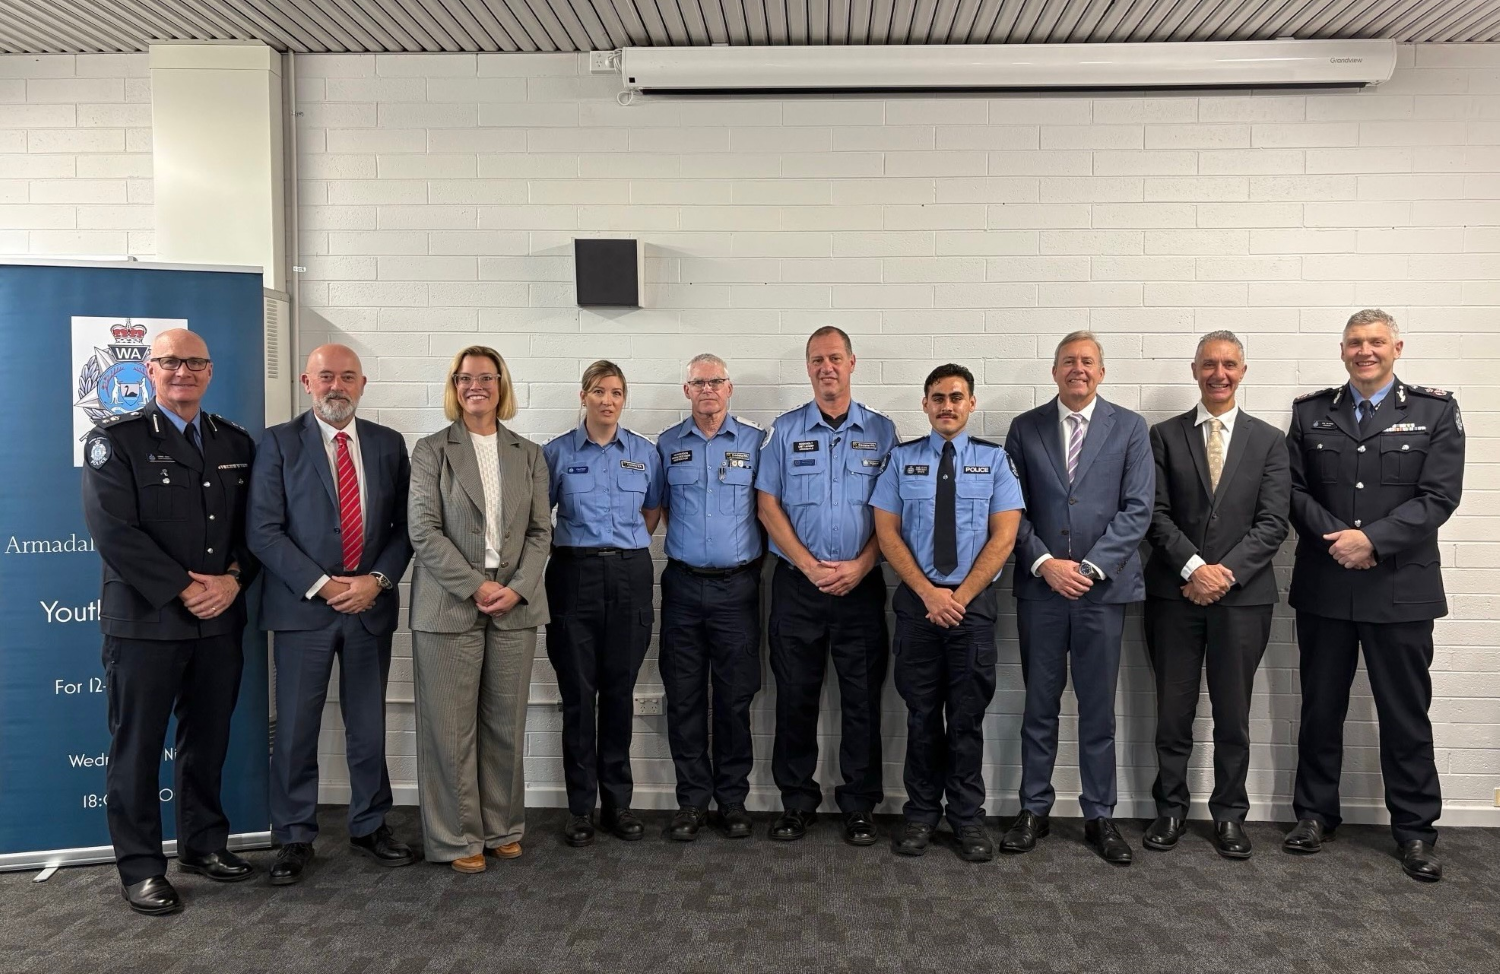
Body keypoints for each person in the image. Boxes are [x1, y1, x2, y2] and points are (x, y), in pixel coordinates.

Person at [80, 328, 259, 915]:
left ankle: (203, 846)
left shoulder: (234, 440)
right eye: (171, 362)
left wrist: (234, 580)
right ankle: (140, 868)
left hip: (219, 618)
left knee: (207, 739)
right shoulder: (117, 441)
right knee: (137, 746)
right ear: (150, 370)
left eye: (196, 363)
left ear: (210, 372)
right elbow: (114, 533)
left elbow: (255, 529)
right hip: (145, 621)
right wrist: (186, 588)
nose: (184, 372)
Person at [1283, 309, 1464, 883]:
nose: (1366, 351)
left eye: (1376, 342)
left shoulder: (1434, 411)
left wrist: (1372, 541)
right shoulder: (1311, 412)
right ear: (1342, 351)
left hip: (1400, 589)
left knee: (1405, 715)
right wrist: (1340, 540)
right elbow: (1291, 488)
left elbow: (1439, 496)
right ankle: (1314, 814)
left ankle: (1414, 829)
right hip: (1327, 583)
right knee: (1320, 708)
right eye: (1356, 343)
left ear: (1396, 347)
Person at [246, 344, 416, 885]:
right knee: (296, 729)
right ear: (306, 382)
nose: (336, 386)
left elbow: (404, 529)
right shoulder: (278, 442)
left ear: (363, 384)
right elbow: (263, 531)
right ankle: (294, 836)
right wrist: (323, 586)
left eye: (347, 377)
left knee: (368, 726)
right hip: (303, 611)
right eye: (326, 377)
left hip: (370, 606)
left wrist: (376, 581)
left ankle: (370, 824)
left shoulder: (389, 445)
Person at [1000, 330, 1153, 866]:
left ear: (1101, 372)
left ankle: (1099, 814)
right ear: (1055, 371)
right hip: (1042, 590)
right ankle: (1033, 808)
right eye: (1069, 361)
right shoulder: (1025, 429)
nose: (1078, 369)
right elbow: (1009, 508)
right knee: (1039, 705)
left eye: (1088, 361)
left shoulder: (1131, 429)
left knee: (1097, 710)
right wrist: (1045, 563)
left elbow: (1138, 510)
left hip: (1101, 593)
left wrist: (1086, 568)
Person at [1141, 331, 1289, 860]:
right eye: (1209, 364)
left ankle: (1229, 814)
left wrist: (1222, 574)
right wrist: (1194, 568)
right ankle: (1171, 808)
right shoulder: (1163, 435)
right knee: (1173, 712)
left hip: (1243, 600)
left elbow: (1274, 523)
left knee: (1233, 714)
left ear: (1243, 371)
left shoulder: (1270, 441)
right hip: (1173, 595)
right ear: (1194, 370)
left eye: (1229, 365)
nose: (1218, 373)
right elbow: (1153, 514)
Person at [871, 364, 1023, 862]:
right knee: (919, 717)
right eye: (937, 397)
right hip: (919, 608)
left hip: (971, 610)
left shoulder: (995, 461)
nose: (947, 406)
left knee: (966, 718)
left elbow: (1005, 536)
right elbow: (887, 533)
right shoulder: (901, 460)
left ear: (972, 404)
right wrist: (929, 594)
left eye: (956, 397)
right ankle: (919, 814)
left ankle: (966, 817)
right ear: (925, 404)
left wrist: (958, 597)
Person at [407, 346, 552, 873]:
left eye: (487, 378)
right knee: (449, 729)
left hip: (515, 604)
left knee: (504, 725)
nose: (476, 386)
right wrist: (475, 586)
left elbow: (541, 531)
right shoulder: (431, 451)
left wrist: (514, 588)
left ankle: (501, 828)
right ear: (454, 385)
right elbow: (423, 529)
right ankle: (456, 838)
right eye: (466, 378)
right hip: (449, 604)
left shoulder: (528, 453)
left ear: (501, 385)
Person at [755, 326, 897, 846]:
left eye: (835, 358)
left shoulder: (882, 432)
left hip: (861, 586)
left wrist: (861, 565)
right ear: (808, 367)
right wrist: (809, 566)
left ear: (853, 363)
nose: (826, 367)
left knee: (861, 699)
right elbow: (767, 506)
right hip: (797, 586)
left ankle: (859, 804)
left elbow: (893, 512)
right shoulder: (785, 431)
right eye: (817, 360)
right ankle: (796, 802)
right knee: (795, 697)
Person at [543, 361, 663, 848]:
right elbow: (538, 518)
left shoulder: (645, 454)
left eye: (615, 392)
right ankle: (579, 809)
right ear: (584, 396)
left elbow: (652, 511)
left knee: (619, 693)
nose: (607, 400)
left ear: (623, 398)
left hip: (631, 574)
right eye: (598, 391)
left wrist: (622, 546)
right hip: (574, 574)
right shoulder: (554, 453)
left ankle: (618, 804)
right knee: (578, 695)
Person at [655, 354, 764, 841]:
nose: (708, 390)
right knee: (684, 697)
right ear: (686, 390)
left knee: (735, 698)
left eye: (716, 381)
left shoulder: (756, 443)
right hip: (681, 585)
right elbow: (652, 511)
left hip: (738, 588)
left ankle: (733, 801)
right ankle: (692, 801)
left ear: (729, 387)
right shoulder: (665, 445)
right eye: (698, 382)